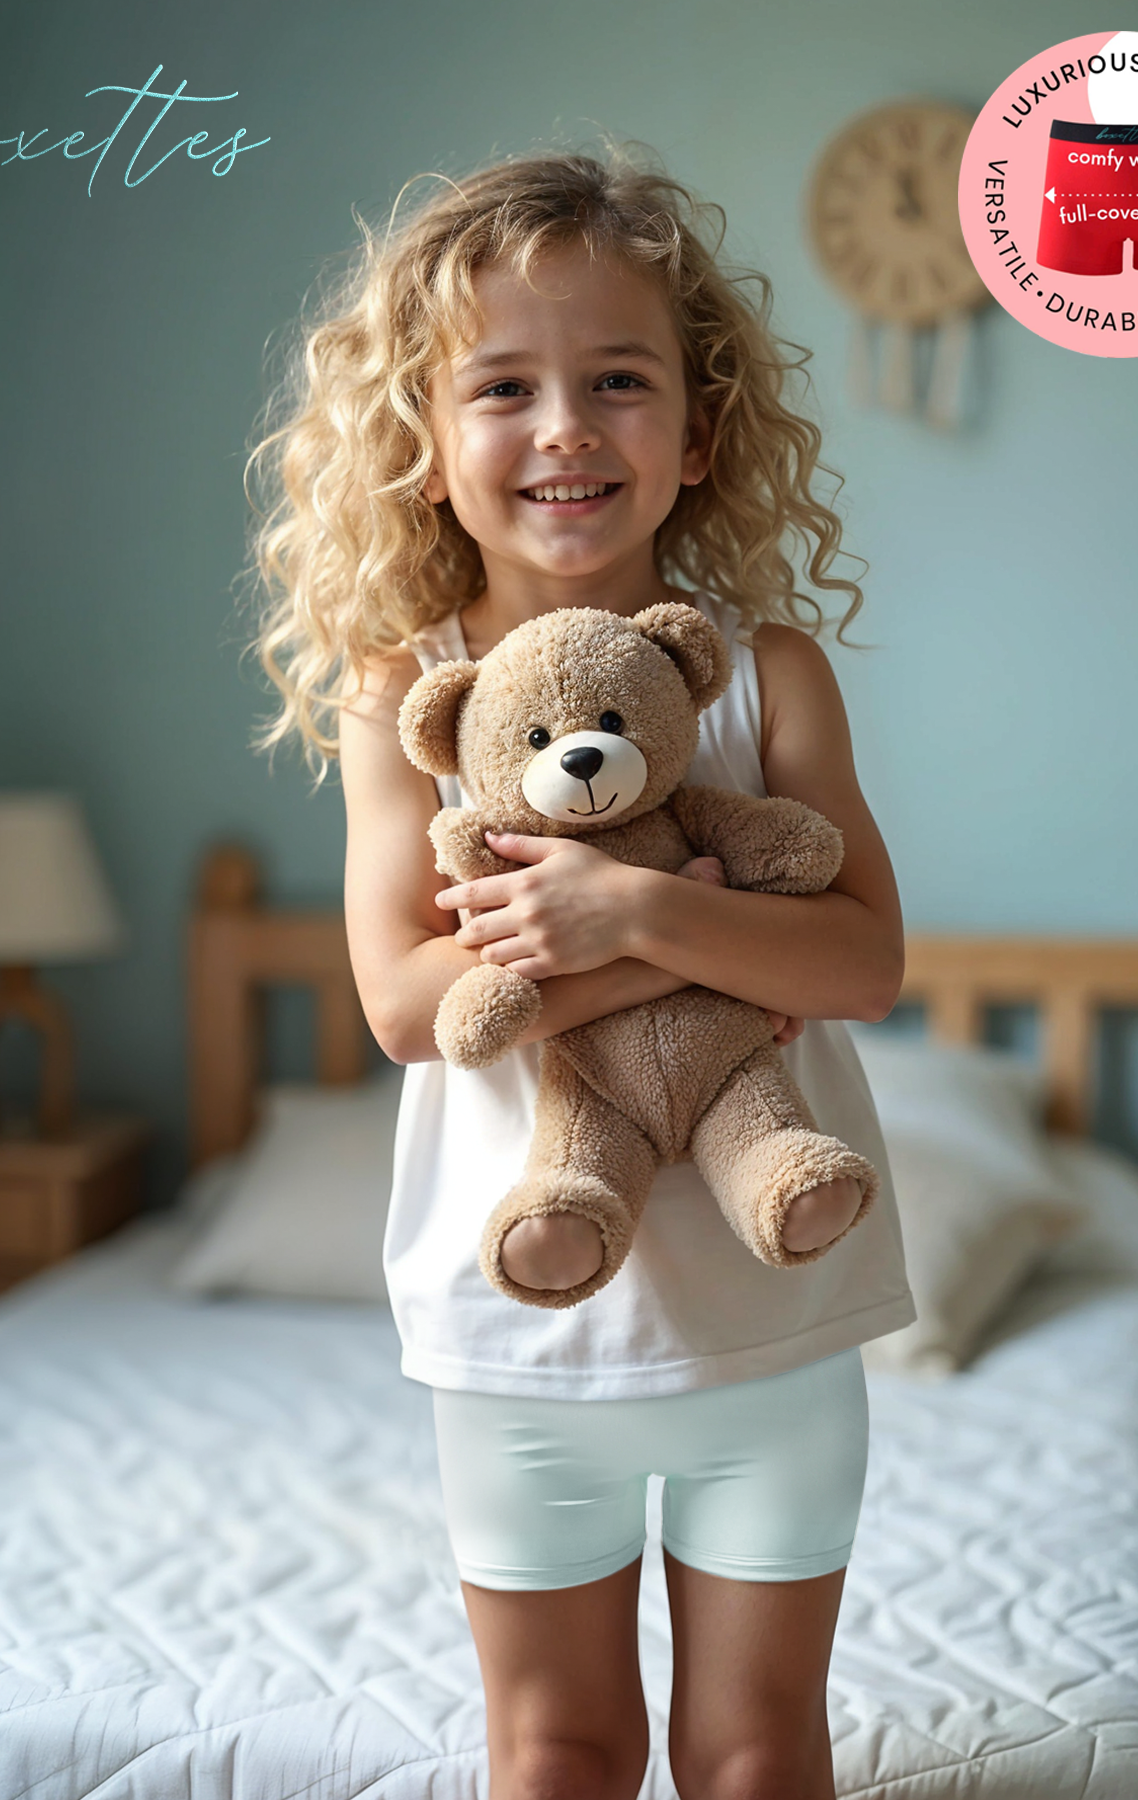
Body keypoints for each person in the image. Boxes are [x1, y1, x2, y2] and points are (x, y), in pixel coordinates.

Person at [246, 144, 914, 1800]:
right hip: (519, 1334)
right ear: (424, 444)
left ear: (696, 431)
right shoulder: (405, 692)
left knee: (760, 1755)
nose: (564, 427)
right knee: (559, 1749)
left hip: (778, 1323)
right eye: (504, 388)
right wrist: (690, 933)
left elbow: (866, 960)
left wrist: (628, 920)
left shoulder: (765, 679)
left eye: (617, 380)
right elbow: (412, 1008)